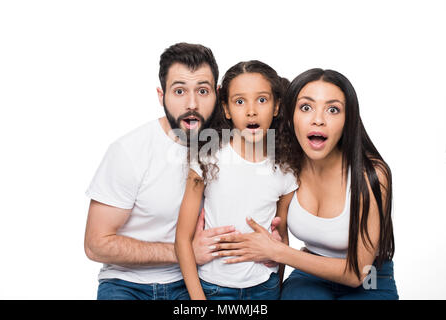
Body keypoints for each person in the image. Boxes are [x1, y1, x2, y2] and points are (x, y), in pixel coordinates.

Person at [212, 68, 399, 300]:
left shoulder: (372, 174)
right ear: (290, 116)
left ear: (347, 119)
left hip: (370, 277)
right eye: (306, 107)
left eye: (332, 109)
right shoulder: (286, 167)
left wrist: (278, 251)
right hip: (311, 272)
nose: (318, 119)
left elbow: (356, 273)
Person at [84, 43, 238, 300]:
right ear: (161, 95)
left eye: (202, 90)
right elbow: (95, 244)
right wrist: (183, 251)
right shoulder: (129, 151)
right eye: (179, 91)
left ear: (217, 94)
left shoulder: (230, 146)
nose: (192, 103)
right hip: (127, 284)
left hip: (197, 281)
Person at [175, 60, 299, 300]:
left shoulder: (286, 170)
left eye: (262, 100)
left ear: (276, 107)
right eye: (240, 101)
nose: (251, 110)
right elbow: (182, 238)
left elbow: (281, 238)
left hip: (265, 287)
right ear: (227, 109)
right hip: (213, 288)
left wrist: (278, 287)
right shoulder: (207, 159)